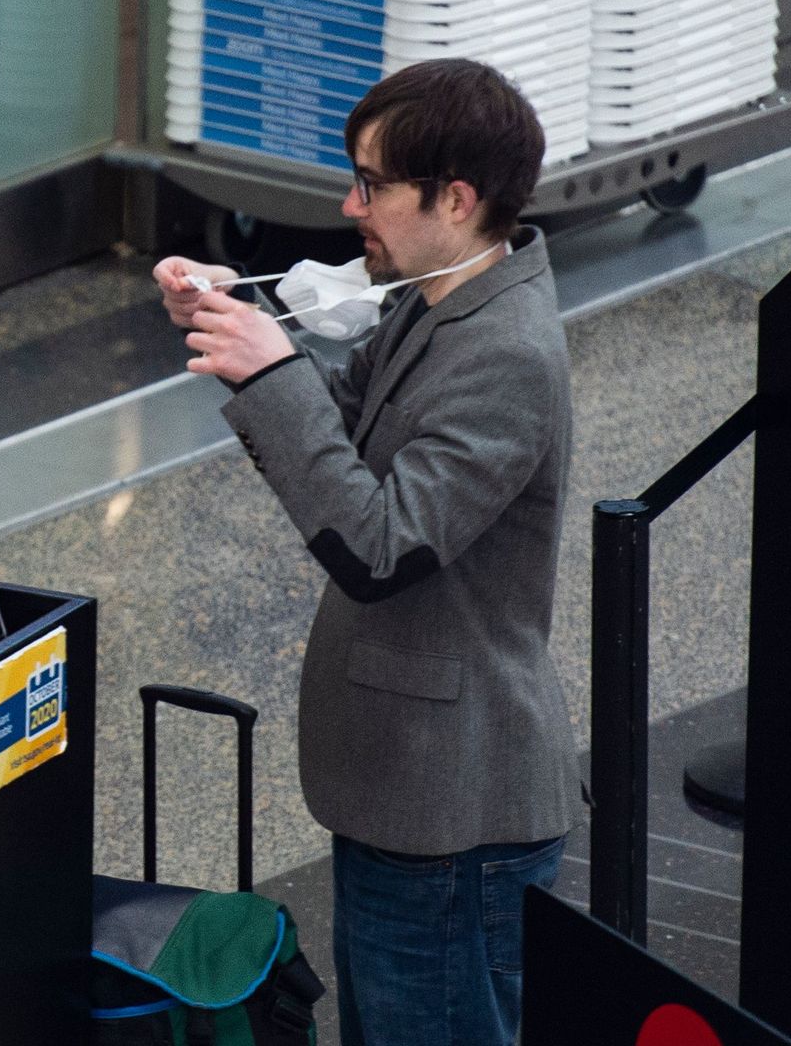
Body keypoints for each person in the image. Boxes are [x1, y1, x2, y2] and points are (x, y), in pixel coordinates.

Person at [152, 59, 582, 1045]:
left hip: (452, 809)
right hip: (409, 789)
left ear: (456, 198)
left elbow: (382, 548)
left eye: (372, 184)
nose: (351, 206)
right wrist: (242, 329)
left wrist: (275, 375)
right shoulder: (441, 299)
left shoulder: (507, 353)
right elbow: (346, 430)